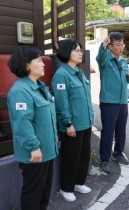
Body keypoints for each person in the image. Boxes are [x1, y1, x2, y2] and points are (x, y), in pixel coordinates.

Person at [7, 46, 58, 210]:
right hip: (35, 153)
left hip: (47, 150)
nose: (43, 63)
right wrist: (33, 147)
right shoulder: (20, 90)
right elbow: (22, 123)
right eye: (38, 60)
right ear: (27, 65)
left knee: (44, 191)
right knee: (33, 192)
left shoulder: (40, 86)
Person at [51, 39, 94, 202]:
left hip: (85, 122)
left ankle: (78, 182)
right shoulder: (62, 75)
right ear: (67, 52)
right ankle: (66, 188)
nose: (80, 53)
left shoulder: (79, 72)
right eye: (76, 50)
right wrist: (67, 123)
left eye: (81, 50)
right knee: (71, 158)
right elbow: (62, 103)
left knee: (83, 155)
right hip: (72, 125)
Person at [96, 32, 129, 173]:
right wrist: (103, 46)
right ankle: (104, 159)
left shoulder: (124, 61)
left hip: (122, 102)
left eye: (122, 44)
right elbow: (99, 56)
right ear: (110, 46)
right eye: (118, 45)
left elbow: (124, 81)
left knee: (121, 130)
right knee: (108, 131)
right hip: (108, 102)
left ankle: (118, 153)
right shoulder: (105, 60)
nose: (121, 48)